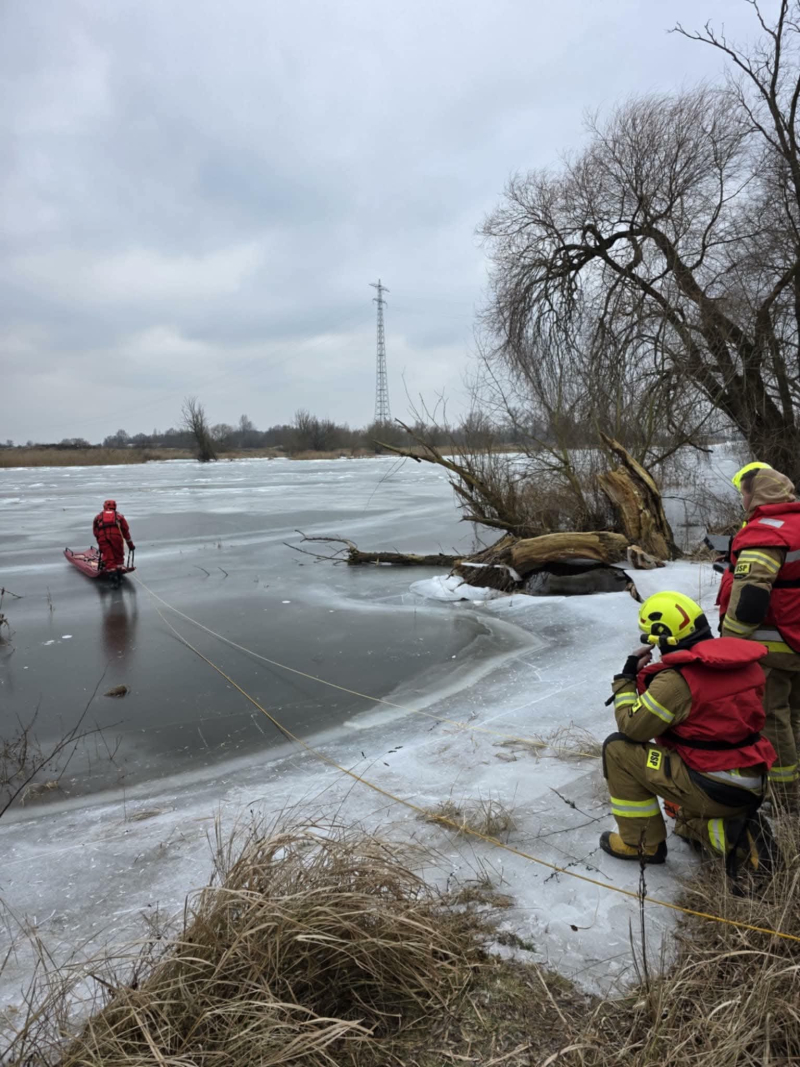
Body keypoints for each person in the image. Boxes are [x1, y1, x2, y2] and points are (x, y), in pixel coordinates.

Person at [600, 591, 775, 869]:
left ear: (662, 635)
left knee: (617, 748)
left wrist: (626, 680)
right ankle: (738, 837)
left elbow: (632, 729)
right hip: (751, 782)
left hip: (712, 785)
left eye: (651, 638)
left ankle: (642, 845)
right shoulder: (742, 664)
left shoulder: (676, 682)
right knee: (682, 820)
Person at [719, 462, 800, 808]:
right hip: (796, 640)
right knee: (795, 715)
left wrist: (728, 646)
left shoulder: (765, 532)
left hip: (773, 646)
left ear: (755, 493)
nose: (741, 499)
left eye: (743, 492)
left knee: (772, 718)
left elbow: (751, 597)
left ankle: (784, 798)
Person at [93, 499, 135, 579]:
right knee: (118, 556)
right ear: (115, 507)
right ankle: (119, 575)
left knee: (108, 558)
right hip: (116, 538)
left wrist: (100, 543)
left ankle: (113, 578)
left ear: (104, 506)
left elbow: (96, 531)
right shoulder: (119, 516)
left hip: (103, 538)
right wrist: (131, 545)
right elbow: (126, 531)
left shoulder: (98, 517)